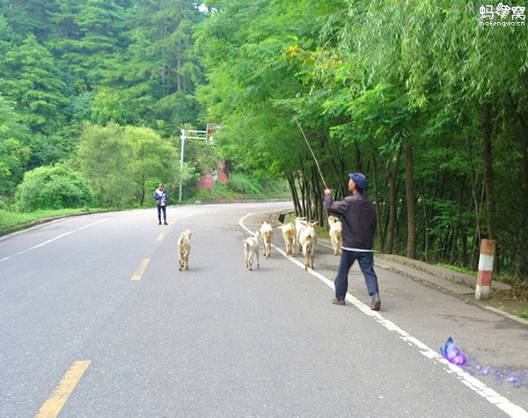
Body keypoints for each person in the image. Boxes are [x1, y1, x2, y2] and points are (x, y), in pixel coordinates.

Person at [323, 172, 381, 310]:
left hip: (350, 246)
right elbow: (373, 225)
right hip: (366, 247)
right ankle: (375, 295)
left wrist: (328, 195)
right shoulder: (370, 205)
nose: (348, 181)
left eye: (350, 180)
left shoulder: (349, 202)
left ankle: (339, 298)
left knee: (343, 272)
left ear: (353, 184)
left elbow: (330, 206)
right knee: (369, 272)